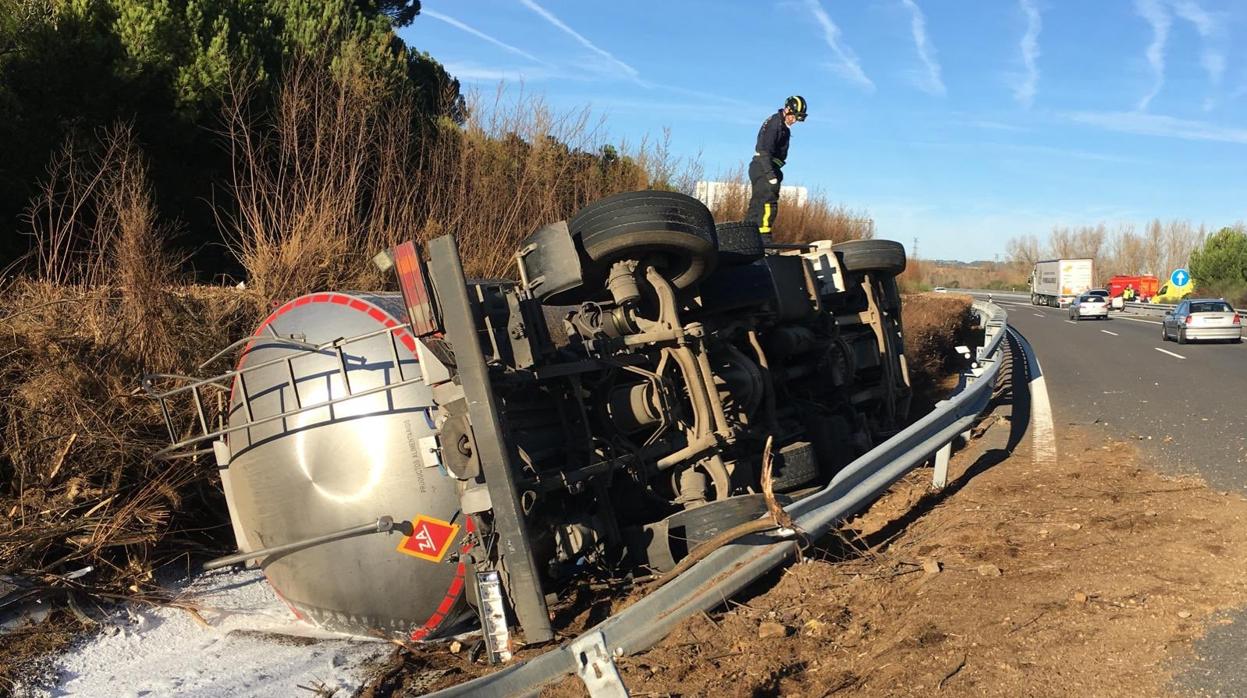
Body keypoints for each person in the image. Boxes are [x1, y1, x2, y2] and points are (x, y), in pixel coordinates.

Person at [747, 96, 807, 237]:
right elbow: (764, 150)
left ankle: (749, 237)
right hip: (764, 167)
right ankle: (764, 238)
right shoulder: (775, 124)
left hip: (765, 167)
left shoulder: (782, 126)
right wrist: (771, 175)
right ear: (787, 110)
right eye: (794, 116)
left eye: (798, 118)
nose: (795, 120)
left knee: (757, 204)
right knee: (768, 203)